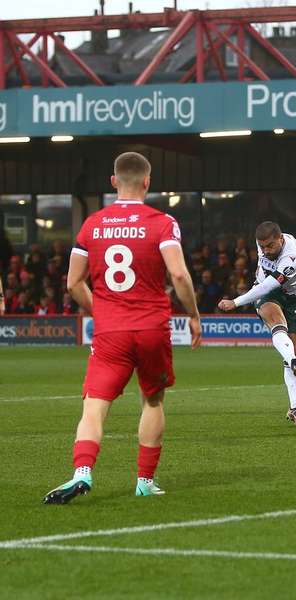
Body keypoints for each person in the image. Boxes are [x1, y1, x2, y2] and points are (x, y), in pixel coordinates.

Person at [43, 152, 201, 504]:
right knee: (153, 399)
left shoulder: (91, 224)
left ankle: (82, 472)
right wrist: (193, 315)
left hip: (109, 331)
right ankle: (145, 480)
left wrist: (104, 312)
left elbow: (72, 283)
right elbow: (177, 274)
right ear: (147, 182)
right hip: (151, 329)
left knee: (94, 407)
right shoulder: (163, 222)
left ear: (114, 182)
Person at [218, 221, 296, 427]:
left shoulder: (292, 258)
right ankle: (294, 362)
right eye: (262, 247)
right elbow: (265, 288)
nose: (265, 250)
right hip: (265, 291)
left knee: (294, 347)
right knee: (276, 321)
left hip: (293, 295)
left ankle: (295, 407)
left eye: (270, 246)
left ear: (280, 239)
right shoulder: (263, 241)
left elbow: (270, 284)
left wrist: (235, 302)